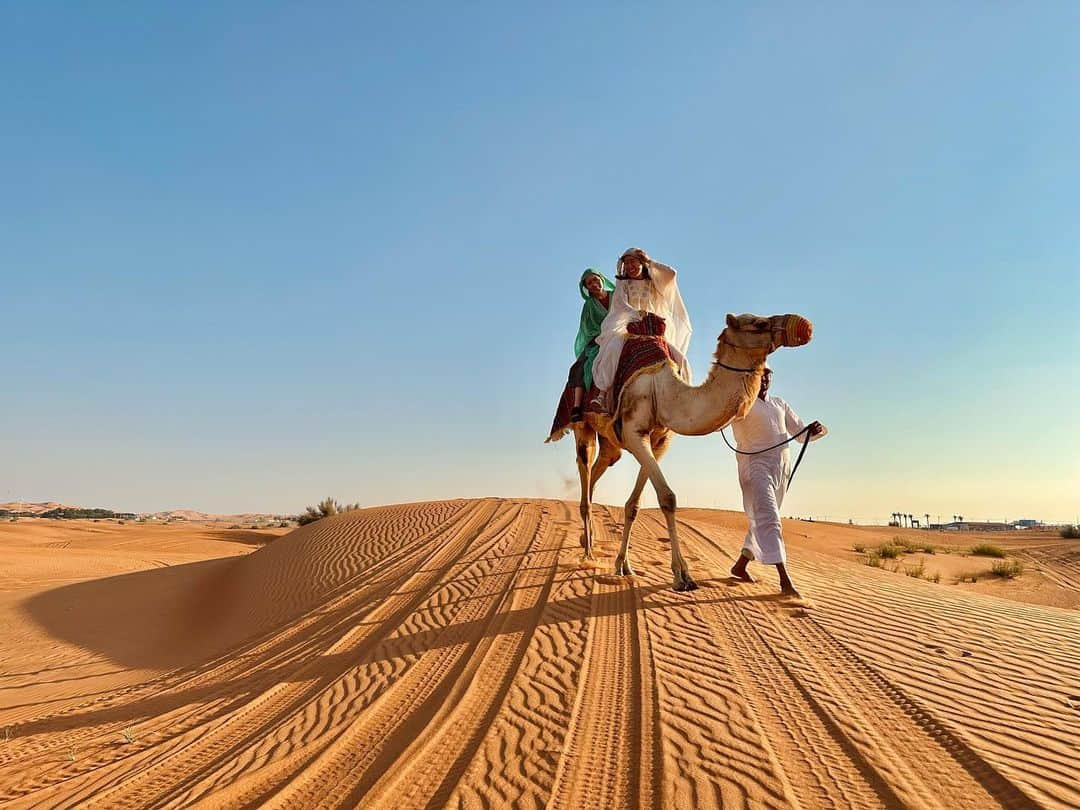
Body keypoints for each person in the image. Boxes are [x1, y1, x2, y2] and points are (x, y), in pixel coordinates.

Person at [728, 366, 826, 596]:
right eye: (760, 375)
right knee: (769, 518)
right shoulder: (740, 404)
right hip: (755, 466)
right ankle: (785, 581)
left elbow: (800, 434)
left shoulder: (780, 403)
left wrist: (813, 429)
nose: (764, 379)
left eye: (768, 375)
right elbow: (719, 421)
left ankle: (740, 565)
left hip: (781, 468)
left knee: (763, 518)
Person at [591, 247, 692, 413]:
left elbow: (672, 274)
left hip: (652, 329)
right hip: (629, 328)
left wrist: (650, 261)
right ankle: (601, 395)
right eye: (627, 262)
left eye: (634, 261)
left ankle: (683, 397)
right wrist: (636, 313)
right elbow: (620, 304)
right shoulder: (623, 284)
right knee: (612, 350)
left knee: (681, 360)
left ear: (641, 262)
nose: (630, 266)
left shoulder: (654, 281)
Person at [566, 268, 614, 423]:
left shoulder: (616, 295)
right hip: (598, 339)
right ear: (586, 288)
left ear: (602, 279)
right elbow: (588, 328)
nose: (594, 284)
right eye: (589, 283)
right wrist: (604, 333)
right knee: (581, 367)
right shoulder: (589, 306)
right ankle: (577, 407)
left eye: (595, 279)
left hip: (621, 333)